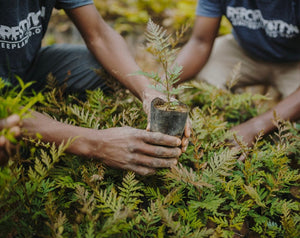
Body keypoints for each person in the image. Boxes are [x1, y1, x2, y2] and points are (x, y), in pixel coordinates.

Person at [0, 1, 190, 175]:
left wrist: (149, 92)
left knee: (102, 68)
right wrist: (96, 143)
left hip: (25, 69)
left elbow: (99, 34)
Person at [174, 0, 300, 157]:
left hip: (295, 62)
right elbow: (200, 42)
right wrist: (162, 83)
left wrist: (255, 127)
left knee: (295, 129)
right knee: (202, 82)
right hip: (244, 50)